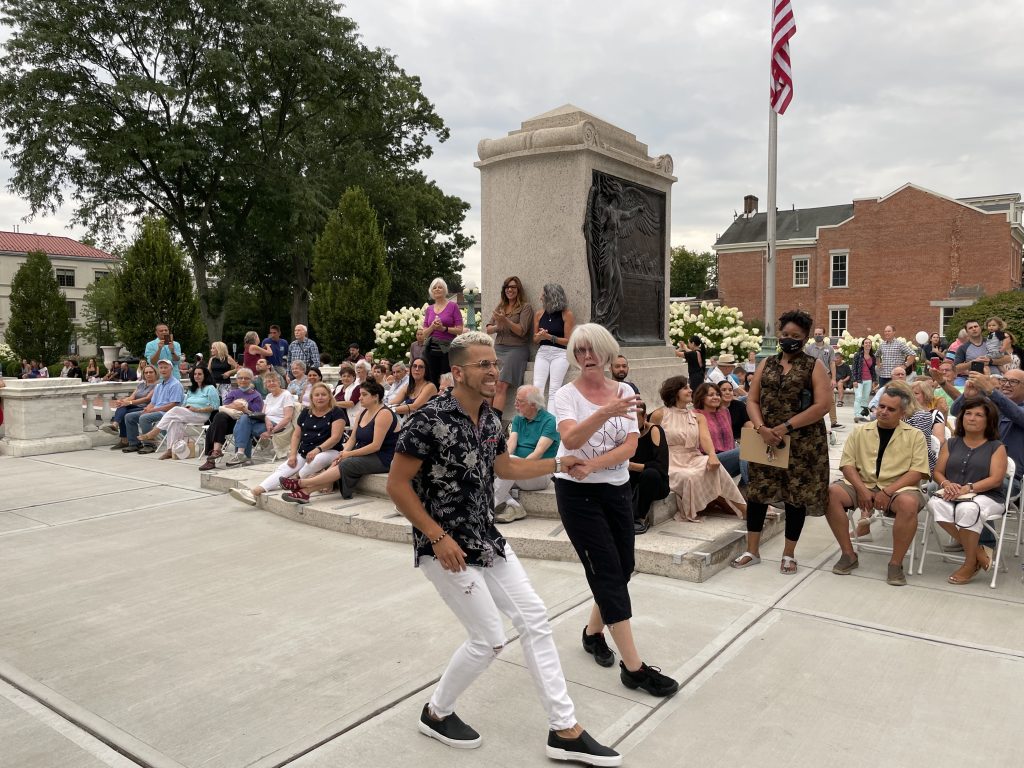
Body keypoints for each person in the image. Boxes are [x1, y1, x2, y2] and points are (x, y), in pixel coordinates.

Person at [385, 331, 620, 765]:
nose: (494, 371)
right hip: (445, 544)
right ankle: (437, 712)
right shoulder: (427, 421)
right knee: (489, 640)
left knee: (535, 619)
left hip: (485, 538)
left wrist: (558, 463)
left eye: (495, 364)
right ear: (458, 372)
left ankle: (564, 729)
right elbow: (396, 486)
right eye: (483, 365)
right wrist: (436, 537)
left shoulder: (493, 420)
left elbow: (504, 466)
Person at [553, 324, 679, 698]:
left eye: (593, 350)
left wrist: (593, 464)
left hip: (616, 488)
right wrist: (606, 411)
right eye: (579, 351)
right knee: (608, 572)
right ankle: (634, 669)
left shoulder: (625, 391)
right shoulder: (565, 394)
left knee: (623, 567)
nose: (587, 357)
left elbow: (629, 446)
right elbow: (570, 439)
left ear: (608, 354)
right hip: (576, 495)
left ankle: (593, 634)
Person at [732, 309, 831, 573]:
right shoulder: (767, 364)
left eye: (795, 336)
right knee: (757, 493)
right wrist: (761, 427)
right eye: (785, 334)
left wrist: (786, 426)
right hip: (765, 438)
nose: (788, 339)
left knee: (794, 496)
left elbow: (823, 405)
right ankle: (752, 550)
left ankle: (788, 553)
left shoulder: (814, 366)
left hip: (802, 441)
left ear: (805, 338)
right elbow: (752, 399)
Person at [825, 386, 929, 586]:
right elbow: (847, 464)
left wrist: (887, 491)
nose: (883, 411)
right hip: (861, 484)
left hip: (898, 488)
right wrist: (863, 490)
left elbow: (917, 472)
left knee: (908, 504)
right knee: (831, 493)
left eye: (891, 409)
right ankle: (848, 554)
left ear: (903, 413)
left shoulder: (914, 435)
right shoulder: (861, 431)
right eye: (881, 406)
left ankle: (895, 564)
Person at [267, 381, 399, 504]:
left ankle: (301, 483)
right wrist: (343, 453)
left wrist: (349, 454)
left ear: (375, 397)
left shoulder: (384, 414)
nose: (359, 398)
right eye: (360, 394)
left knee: (347, 463)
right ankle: (305, 493)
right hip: (363, 453)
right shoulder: (363, 413)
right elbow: (352, 439)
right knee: (339, 461)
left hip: (382, 457)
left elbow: (376, 446)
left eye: (364, 395)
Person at [928, 397, 1006, 584]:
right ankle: (978, 552)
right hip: (953, 493)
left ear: (989, 421)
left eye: (979, 415)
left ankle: (970, 563)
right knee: (934, 504)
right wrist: (947, 484)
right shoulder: (951, 443)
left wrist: (968, 488)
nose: (972, 418)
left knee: (968, 509)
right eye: (968, 413)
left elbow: (996, 479)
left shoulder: (996, 447)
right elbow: (937, 472)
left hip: (988, 497)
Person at [226, 383, 346, 501]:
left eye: (323, 395)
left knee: (310, 466)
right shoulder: (306, 412)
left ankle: (301, 478)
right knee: (285, 468)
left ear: (330, 396)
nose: (320, 398)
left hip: (330, 451)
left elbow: (335, 438)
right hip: (305, 452)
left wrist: (317, 450)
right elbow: (296, 435)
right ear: (312, 398)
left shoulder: (336, 412)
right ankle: (253, 492)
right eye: (317, 395)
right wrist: (293, 454)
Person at [650, 376, 746, 523]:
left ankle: (744, 510)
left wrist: (712, 455)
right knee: (690, 476)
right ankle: (728, 505)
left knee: (714, 466)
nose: (690, 390)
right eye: (685, 388)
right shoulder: (659, 414)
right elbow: (650, 443)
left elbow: (705, 439)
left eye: (689, 387)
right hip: (671, 461)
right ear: (675, 392)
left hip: (694, 457)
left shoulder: (698, 417)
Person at [493, 385, 560, 524]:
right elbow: (510, 446)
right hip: (516, 469)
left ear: (533, 404)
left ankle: (489, 508)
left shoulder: (550, 421)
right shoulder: (518, 419)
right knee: (490, 467)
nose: (515, 404)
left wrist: (514, 466)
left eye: (520, 401)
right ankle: (515, 506)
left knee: (508, 462)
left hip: (539, 473)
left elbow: (538, 453)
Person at [138, 365, 219, 460]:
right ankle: (170, 450)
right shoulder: (192, 390)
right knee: (174, 421)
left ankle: (154, 432)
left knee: (175, 410)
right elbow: (184, 404)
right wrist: (186, 409)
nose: (197, 376)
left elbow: (215, 406)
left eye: (199, 374)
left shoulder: (210, 388)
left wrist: (197, 409)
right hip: (188, 414)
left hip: (202, 415)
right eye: (195, 374)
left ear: (205, 375)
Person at [485, 275, 533, 414]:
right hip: (498, 348)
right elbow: (488, 329)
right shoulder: (501, 306)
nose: (509, 290)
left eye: (513, 287)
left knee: (500, 385)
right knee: (490, 383)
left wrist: (505, 321)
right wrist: (497, 327)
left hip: (516, 349)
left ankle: (495, 422)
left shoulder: (526, 307)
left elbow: (522, 331)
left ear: (518, 289)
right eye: (507, 287)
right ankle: (485, 420)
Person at [197, 369, 264, 470]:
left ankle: (211, 459)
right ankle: (216, 451)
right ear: (236, 380)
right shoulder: (233, 393)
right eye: (240, 378)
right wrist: (236, 406)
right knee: (220, 417)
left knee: (213, 426)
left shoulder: (256, 396)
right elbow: (225, 406)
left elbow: (255, 414)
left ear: (251, 380)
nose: (243, 380)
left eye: (246, 378)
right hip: (229, 423)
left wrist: (244, 409)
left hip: (244, 424)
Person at [226, 371, 296, 467]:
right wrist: (267, 420)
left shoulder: (286, 395)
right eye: (268, 382)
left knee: (243, 427)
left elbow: (288, 418)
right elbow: (263, 414)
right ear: (265, 385)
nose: (271, 383)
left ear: (279, 382)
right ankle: (242, 455)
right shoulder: (269, 396)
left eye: (273, 381)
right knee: (244, 418)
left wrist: (270, 432)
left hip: (278, 424)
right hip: (266, 423)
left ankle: (242, 455)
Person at [122, 359, 184, 453]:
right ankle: (134, 444)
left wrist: (153, 410)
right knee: (129, 416)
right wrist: (148, 409)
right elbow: (153, 402)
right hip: (157, 410)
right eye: (161, 368)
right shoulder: (159, 386)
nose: (163, 370)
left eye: (165, 367)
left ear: (171, 368)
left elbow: (173, 405)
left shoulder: (175, 384)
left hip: (168, 412)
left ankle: (149, 445)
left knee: (144, 418)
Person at [692, 383, 747, 485]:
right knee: (745, 451)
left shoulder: (725, 412)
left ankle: (744, 488)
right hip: (708, 459)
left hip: (728, 456)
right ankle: (751, 493)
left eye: (717, 394)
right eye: (711, 395)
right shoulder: (695, 415)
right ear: (701, 397)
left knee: (753, 454)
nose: (716, 397)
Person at [532, 283, 575, 413]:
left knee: (554, 389)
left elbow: (568, 341)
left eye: (543, 295)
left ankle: (551, 424)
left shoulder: (566, 314)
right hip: (543, 353)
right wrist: (540, 337)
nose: (540, 297)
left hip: (560, 353)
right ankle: (536, 420)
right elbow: (534, 340)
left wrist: (549, 337)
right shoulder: (539, 314)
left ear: (551, 296)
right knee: (537, 387)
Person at [628, 400, 669, 534]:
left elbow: (660, 466)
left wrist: (632, 466)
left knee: (650, 474)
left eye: (635, 420)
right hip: (631, 479)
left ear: (644, 417)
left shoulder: (655, 430)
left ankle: (640, 517)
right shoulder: (624, 433)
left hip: (655, 482)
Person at [416, 277, 464, 387]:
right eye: (435, 287)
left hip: (447, 350)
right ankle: (433, 402)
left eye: (440, 287)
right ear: (431, 291)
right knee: (431, 380)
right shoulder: (429, 309)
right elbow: (424, 334)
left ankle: (447, 402)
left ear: (445, 290)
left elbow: (460, 329)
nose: (437, 289)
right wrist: (432, 326)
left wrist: (444, 329)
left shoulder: (453, 306)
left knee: (446, 380)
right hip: (431, 350)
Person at [102, 365, 158, 449]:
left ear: (155, 373)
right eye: (146, 372)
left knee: (125, 414)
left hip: (146, 407)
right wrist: (122, 401)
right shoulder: (141, 385)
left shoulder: (157, 386)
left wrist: (129, 402)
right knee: (121, 407)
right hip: (135, 405)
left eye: (151, 372)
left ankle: (127, 441)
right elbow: (132, 396)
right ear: (143, 374)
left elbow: (147, 399)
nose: (148, 374)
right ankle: (115, 426)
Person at [804, 327, 843, 429]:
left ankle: (834, 422)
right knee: (812, 398)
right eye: (816, 334)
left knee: (830, 399)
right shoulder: (809, 349)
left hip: (827, 376)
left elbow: (832, 363)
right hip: (813, 376)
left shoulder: (829, 349)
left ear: (824, 335)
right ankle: (812, 421)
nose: (818, 335)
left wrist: (833, 379)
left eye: (820, 334)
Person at [851, 337, 877, 422]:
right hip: (859, 380)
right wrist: (854, 380)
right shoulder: (858, 355)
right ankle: (857, 415)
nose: (868, 344)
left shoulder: (872, 356)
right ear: (863, 345)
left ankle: (862, 415)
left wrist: (874, 380)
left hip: (868, 380)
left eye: (869, 343)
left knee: (865, 398)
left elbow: (872, 369)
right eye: (866, 343)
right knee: (858, 397)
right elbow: (854, 368)